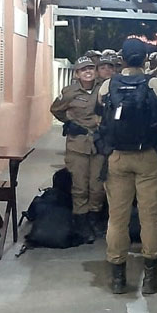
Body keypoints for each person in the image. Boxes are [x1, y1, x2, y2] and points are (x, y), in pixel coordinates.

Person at [97, 38, 157, 295]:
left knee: (117, 218)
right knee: (149, 218)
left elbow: (101, 120)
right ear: (145, 59)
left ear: (121, 59)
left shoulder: (107, 86)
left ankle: (118, 278)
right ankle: (151, 278)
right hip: (148, 157)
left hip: (117, 157)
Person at [50, 56, 105, 243]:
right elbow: (56, 109)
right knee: (79, 186)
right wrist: (69, 122)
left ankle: (94, 218)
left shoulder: (103, 88)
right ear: (77, 74)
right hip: (78, 145)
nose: (88, 72)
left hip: (98, 144)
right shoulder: (70, 92)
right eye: (83, 69)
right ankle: (81, 221)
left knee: (97, 186)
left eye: (90, 68)